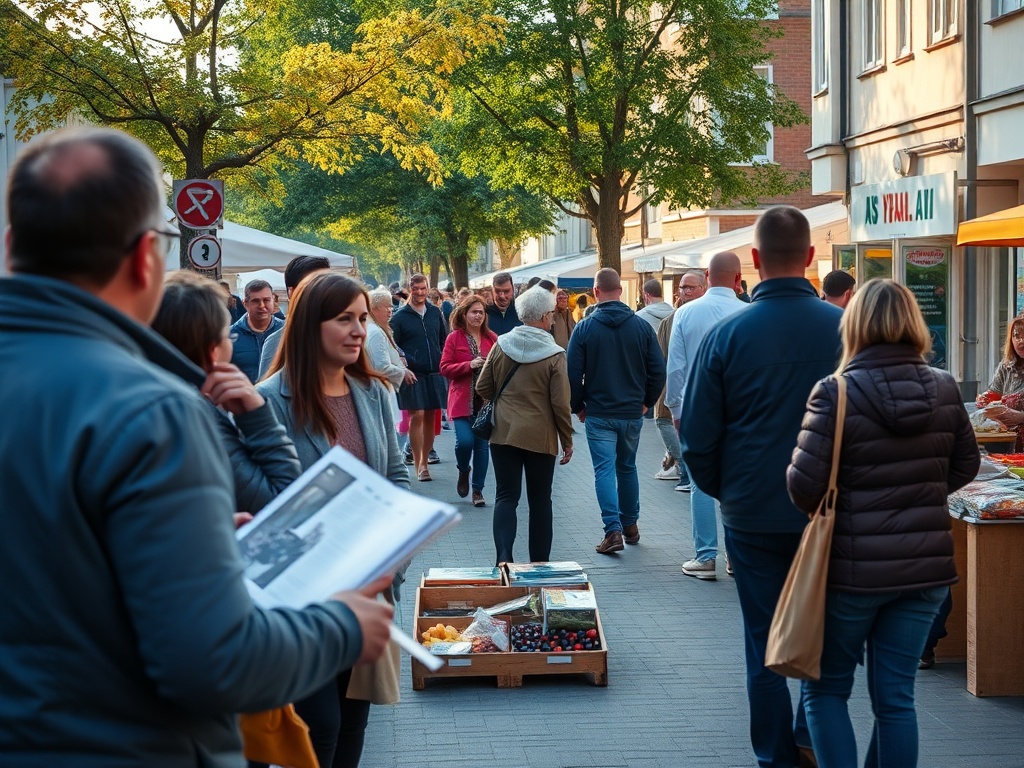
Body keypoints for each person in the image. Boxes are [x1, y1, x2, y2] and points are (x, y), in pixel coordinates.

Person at [0, 125, 393, 765]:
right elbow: (210, 662)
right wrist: (341, 625)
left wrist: (204, 550)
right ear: (144, 262)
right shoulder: (149, 415)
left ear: (13, 245)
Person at [787, 279, 979, 768]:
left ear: (853, 325)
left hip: (852, 572)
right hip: (925, 573)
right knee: (896, 699)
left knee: (826, 691)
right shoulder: (944, 388)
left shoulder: (835, 392)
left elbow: (804, 486)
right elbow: (965, 466)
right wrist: (921, 497)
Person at [680, 206, 844, 768]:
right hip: (830, 510)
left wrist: (727, 490)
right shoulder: (847, 332)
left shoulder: (727, 335)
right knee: (824, 629)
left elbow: (697, 437)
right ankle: (808, 733)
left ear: (754, 260)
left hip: (752, 511)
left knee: (763, 640)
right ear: (812, 257)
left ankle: (776, 755)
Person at [257, 273, 410, 768]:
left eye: (363, 318)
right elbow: (263, 502)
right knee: (318, 725)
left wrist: (396, 550)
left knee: (352, 723)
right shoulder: (268, 401)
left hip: (366, 590)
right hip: (301, 599)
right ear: (308, 324)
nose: (359, 330)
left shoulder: (370, 392)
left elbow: (395, 473)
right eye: (344, 319)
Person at [152, 271, 302, 514]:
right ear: (213, 349)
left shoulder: (144, 398)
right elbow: (285, 503)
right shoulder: (196, 418)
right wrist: (258, 418)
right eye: (226, 337)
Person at [566, 268, 666, 554]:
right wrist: (646, 401)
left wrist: (578, 406)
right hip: (631, 411)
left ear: (595, 292)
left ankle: (612, 531)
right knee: (627, 467)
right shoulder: (641, 327)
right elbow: (658, 370)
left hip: (599, 412)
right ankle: (631, 525)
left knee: (604, 471)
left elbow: (573, 373)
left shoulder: (585, 328)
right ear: (620, 290)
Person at [665, 253, 747, 580]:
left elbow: (676, 368)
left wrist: (675, 410)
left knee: (701, 481)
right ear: (738, 278)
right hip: (741, 411)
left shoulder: (686, 313)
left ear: (708, 277)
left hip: (698, 408)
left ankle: (705, 556)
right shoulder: (748, 312)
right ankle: (736, 555)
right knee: (737, 483)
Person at [477, 286, 573, 564]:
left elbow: (484, 386)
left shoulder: (501, 343)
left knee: (506, 495)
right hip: (540, 436)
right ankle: (539, 563)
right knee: (541, 501)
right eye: (552, 315)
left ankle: (504, 556)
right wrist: (566, 440)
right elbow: (560, 403)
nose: (553, 319)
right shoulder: (555, 354)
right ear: (544, 316)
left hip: (503, 431)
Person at [440, 295, 498, 507]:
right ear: (464, 314)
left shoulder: (492, 339)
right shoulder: (454, 338)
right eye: (473, 312)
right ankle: (464, 470)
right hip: (462, 400)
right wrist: (469, 365)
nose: (477, 316)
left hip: (485, 403)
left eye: (481, 312)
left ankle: (477, 490)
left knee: (482, 447)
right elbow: (444, 368)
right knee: (464, 442)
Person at [390, 273, 448, 481]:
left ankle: (425, 460)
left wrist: (442, 361)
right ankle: (419, 465)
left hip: (434, 371)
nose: (420, 292)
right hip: (413, 373)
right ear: (409, 288)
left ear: (428, 288)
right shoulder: (399, 317)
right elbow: (392, 345)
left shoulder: (435, 312)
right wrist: (403, 364)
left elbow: (443, 339)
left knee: (431, 416)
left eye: (423, 288)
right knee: (418, 415)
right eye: (416, 289)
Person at [652, 271, 705, 488]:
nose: (687, 291)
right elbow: (662, 356)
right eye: (683, 288)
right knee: (663, 419)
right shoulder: (668, 321)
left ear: (704, 288)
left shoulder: (706, 313)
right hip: (674, 383)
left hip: (702, 384)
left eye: (691, 287)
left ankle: (687, 469)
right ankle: (684, 468)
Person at [258, 255, 332, 379]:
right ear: (292, 292)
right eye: (314, 285)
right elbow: (266, 394)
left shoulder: (345, 334)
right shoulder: (277, 342)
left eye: (329, 284)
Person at [231, 278, 285, 382]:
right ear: (245, 304)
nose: (262, 306)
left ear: (273, 301)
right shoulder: (230, 336)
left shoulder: (287, 332)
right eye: (256, 301)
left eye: (266, 300)